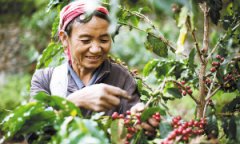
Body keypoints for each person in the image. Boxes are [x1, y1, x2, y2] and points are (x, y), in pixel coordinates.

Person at [30, 0, 158, 136]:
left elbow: (134, 130)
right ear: (64, 39)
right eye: (85, 40)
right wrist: (73, 102)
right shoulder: (45, 79)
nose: (96, 49)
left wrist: (143, 121)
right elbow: (31, 132)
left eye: (104, 40)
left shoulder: (122, 77)